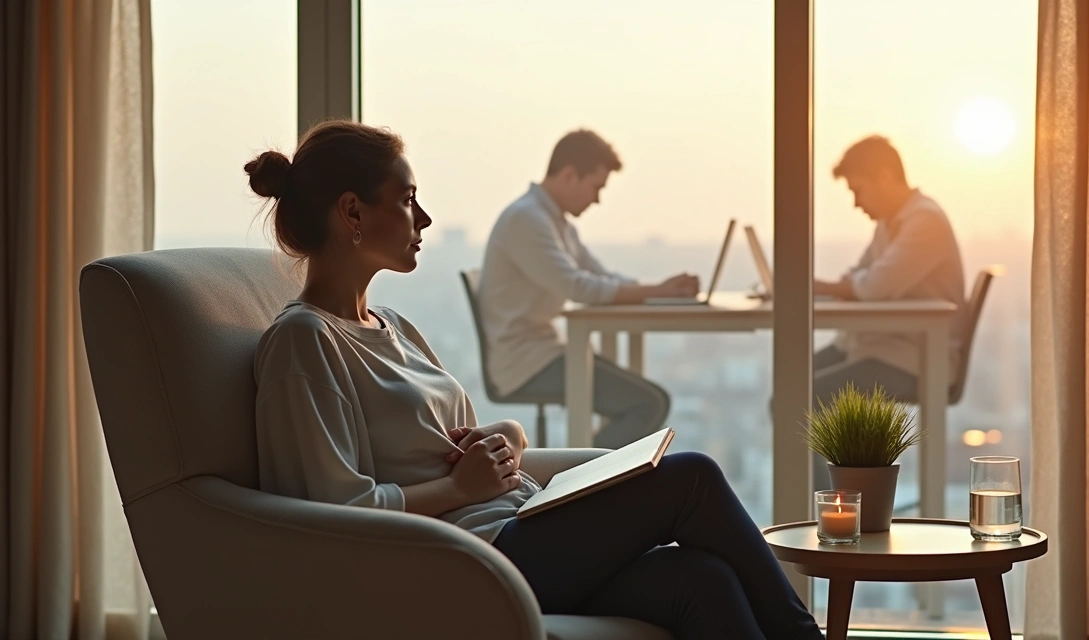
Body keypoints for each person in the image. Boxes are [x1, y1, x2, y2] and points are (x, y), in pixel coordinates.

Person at [246, 120, 824, 640]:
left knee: (702, 579)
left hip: (515, 526)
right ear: (352, 213)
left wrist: (506, 440)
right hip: (465, 561)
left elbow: (454, 446)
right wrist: (458, 491)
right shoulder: (305, 342)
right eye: (407, 200)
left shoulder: (392, 326)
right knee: (692, 476)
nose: (424, 219)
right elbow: (333, 512)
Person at [478, 129, 698, 449]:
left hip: (546, 353)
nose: (597, 199)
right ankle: (581, 482)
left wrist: (660, 290)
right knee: (649, 403)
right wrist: (656, 290)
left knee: (648, 400)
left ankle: (590, 479)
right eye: (596, 187)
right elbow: (579, 286)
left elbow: (600, 276)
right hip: (526, 363)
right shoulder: (527, 219)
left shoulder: (555, 222)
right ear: (569, 175)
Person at [809, 135, 967, 490]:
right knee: (787, 389)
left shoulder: (925, 221)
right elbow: (860, 278)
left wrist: (816, 286)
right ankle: (828, 504)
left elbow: (873, 285)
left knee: (803, 400)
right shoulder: (890, 223)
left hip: (915, 360)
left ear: (884, 177)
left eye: (858, 190)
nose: (855, 203)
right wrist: (839, 286)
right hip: (877, 349)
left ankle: (826, 509)